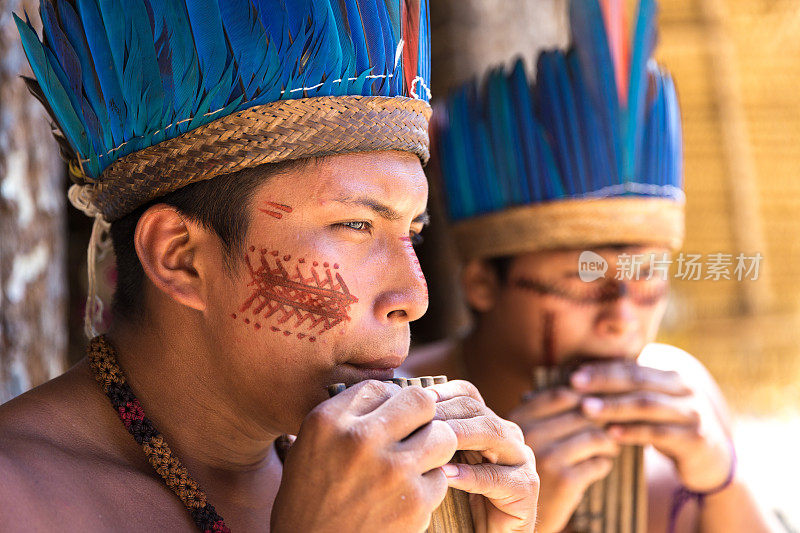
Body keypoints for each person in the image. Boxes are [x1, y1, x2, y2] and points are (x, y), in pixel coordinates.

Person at [0, 2, 538, 531]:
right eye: (355, 226)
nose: (413, 297)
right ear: (180, 257)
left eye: (413, 232)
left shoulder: (402, 490)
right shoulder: (16, 496)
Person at [402, 1, 777, 531]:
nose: (622, 319)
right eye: (586, 278)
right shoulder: (407, 423)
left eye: (647, 277)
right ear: (483, 282)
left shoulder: (683, 388)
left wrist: (721, 479)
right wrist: (529, 515)